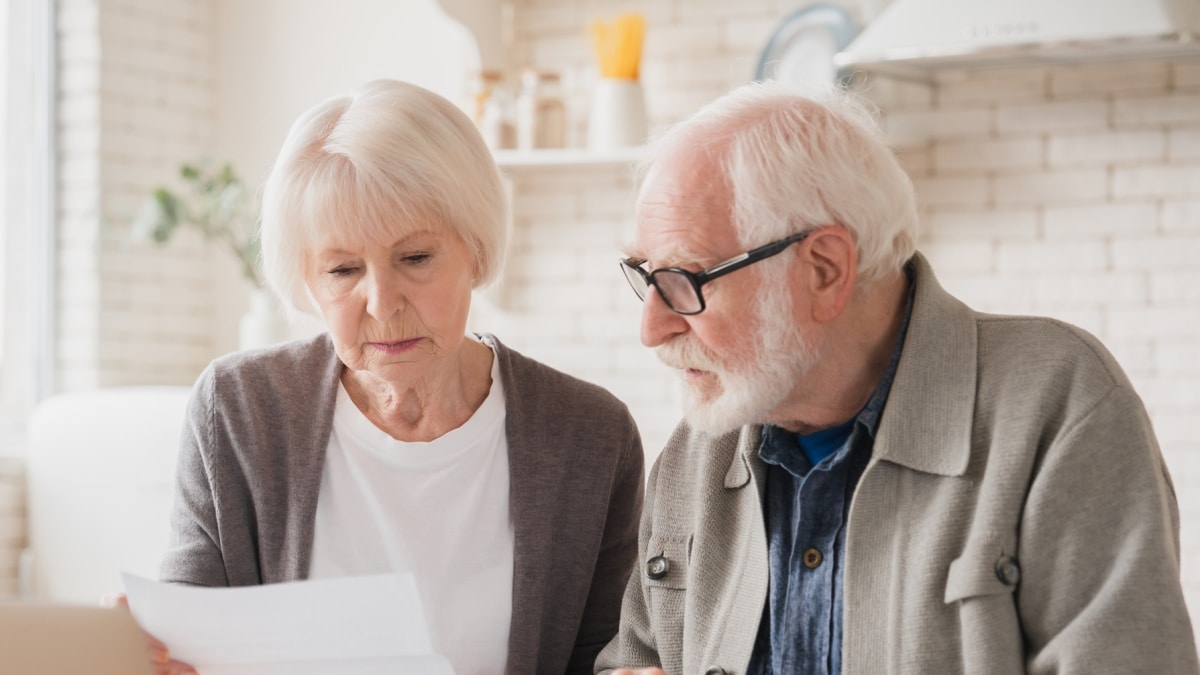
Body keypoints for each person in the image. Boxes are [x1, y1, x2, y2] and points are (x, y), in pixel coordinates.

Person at [595, 79, 1199, 675]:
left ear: (825, 269)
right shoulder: (696, 450)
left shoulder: (1057, 405)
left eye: (685, 282)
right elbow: (637, 656)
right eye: (645, 276)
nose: (652, 328)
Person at [139, 79, 644, 675]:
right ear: (307, 282)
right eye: (343, 269)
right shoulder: (238, 410)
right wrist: (149, 650)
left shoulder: (589, 435)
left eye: (416, 258)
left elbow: (607, 654)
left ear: (476, 252)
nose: (381, 303)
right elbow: (189, 634)